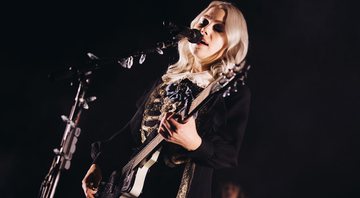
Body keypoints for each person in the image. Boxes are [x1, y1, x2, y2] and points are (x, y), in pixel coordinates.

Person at [82, 1, 250, 198]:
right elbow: (131, 133)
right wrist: (99, 164)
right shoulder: (166, 81)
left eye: (218, 28)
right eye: (203, 22)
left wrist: (194, 142)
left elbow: (228, 154)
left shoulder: (230, 90)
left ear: (231, 43)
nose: (205, 30)